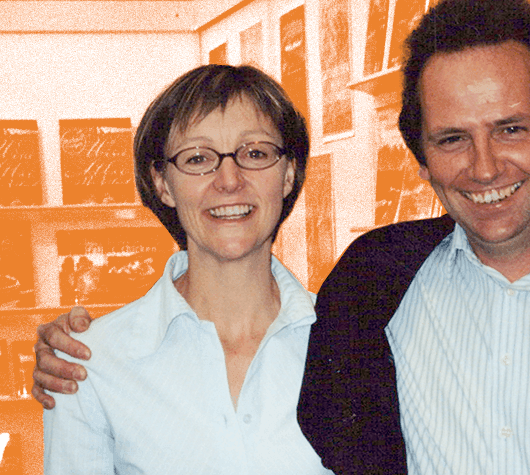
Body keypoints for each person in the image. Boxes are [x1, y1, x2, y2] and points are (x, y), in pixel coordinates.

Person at [34, 0, 530, 475]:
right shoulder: (372, 287)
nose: (484, 165)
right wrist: (73, 348)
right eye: (452, 137)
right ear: (421, 154)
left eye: (512, 128)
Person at [39, 64, 331, 474]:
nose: (229, 179)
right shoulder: (89, 363)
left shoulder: (351, 344)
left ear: (288, 174)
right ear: (161, 183)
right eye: (198, 158)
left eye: (255, 153)